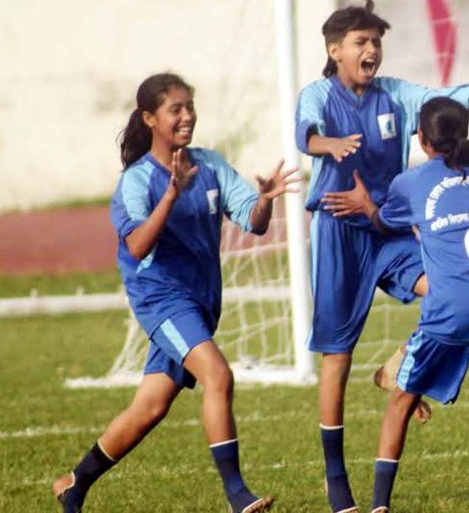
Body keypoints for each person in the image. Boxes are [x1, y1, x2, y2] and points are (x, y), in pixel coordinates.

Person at [295, 0, 469, 512]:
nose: (371, 50)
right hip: (341, 232)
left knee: (450, 286)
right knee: (336, 356)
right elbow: (308, 132)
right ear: (335, 50)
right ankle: (336, 480)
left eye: (376, 42)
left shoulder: (395, 95)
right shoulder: (318, 93)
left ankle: (401, 367)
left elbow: (442, 100)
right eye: (361, 42)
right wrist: (329, 146)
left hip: (388, 227)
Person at [52, 73, 298, 512]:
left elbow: (255, 223)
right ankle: (238, 496)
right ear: (149, 119)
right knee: (219, 376)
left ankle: (76, 483)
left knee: (150, 407)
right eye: (175, 109)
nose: (187, 116)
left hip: (200, 300)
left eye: (190, 106)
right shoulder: (135, 182)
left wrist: (264, 200)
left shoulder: (211, 165)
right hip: (161, 298)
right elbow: (137, 245)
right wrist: (170, 195)